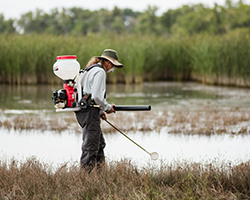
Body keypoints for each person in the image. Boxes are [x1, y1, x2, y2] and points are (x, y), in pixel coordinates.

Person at [74, 49, 123, 171]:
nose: (112, 68)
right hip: (89, 112)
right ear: (107, 62)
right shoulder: (100, 71)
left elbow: (90, 94)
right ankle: (86, 178)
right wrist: (107, 108)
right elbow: (96, 96)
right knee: (91, 147)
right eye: (112, 64)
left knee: (99, 144)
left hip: (86, 111)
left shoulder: (91, 69)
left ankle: (101, 175)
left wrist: (100, 112)